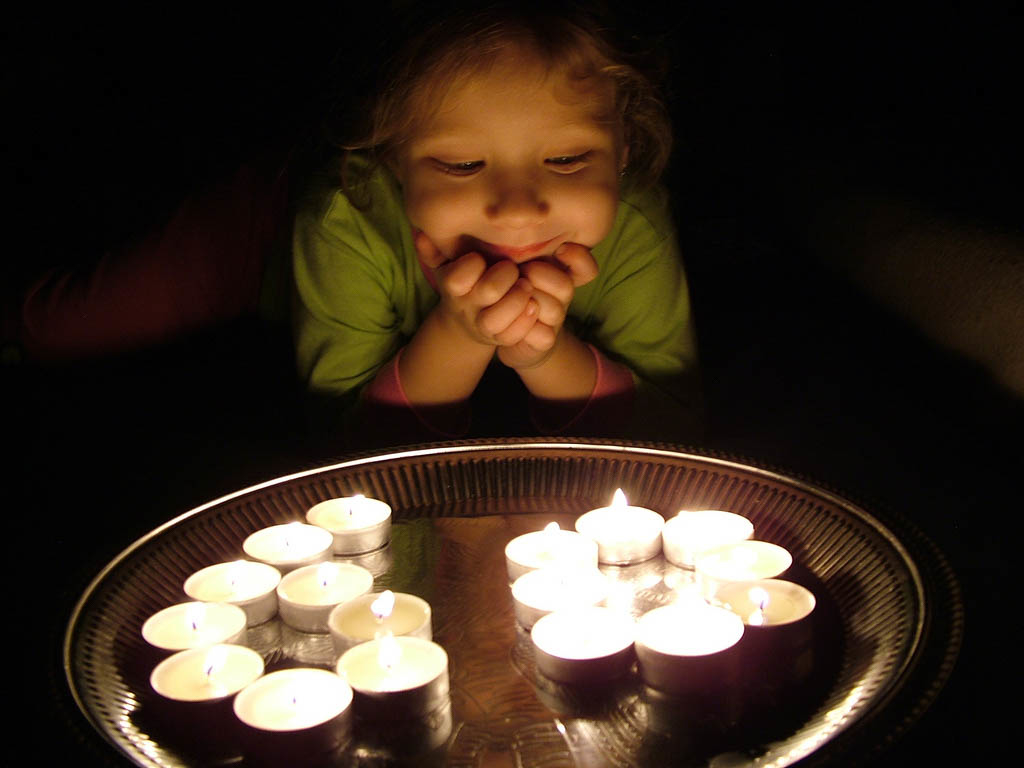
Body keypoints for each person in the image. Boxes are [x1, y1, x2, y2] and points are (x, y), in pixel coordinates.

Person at [292, 1, 702, 447]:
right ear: (393, 158)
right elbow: (341, 456)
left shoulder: (636, 226)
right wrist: (459, 335)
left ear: (623, 152)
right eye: (463, 165)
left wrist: (548, 358)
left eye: (566, 159)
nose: (517, 213)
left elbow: (673, 437)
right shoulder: (349, 221)